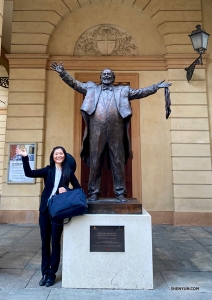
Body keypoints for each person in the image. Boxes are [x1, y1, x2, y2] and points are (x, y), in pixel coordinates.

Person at [51, 62, 171, 202]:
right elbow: (75, 84)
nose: (107, 76)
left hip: (117, 129)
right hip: (97, 129)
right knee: (95, 161)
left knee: (117, 160)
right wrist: (63, 73)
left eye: (109, 74)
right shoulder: (91, 88)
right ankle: (94, 192)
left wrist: (156, 87)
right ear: (100, 77)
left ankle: (120, 192)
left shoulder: (123, 90)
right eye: (104, 74)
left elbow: (140, 92)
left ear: (113, 78)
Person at [16, 146, 81, 287]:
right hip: (45, 210)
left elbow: (78, 188)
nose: (59, 155)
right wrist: (25, 157)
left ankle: (52, 274)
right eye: (56, 154)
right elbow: (29, 173)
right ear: (53, 156)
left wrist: (67, 189)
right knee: (45, 243)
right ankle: (44, 273)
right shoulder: (48, 170)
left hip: (58, 211)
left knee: (55, 243)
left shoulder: (68, 172)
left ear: (64, 156)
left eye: (61, 153)